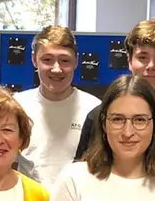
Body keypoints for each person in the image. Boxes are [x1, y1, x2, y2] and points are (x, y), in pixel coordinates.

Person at [74, 20, 155, 176]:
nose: (151, 65)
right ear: (129, 61)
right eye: (143, 57)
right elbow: (82, 176)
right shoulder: (99, 117)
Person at [13, 25, 102, 186]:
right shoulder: (17, 106)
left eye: (64, 61)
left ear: (76, 61)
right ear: (34, 60)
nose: (56, 69)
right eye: (47, 60)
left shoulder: (95, 109)